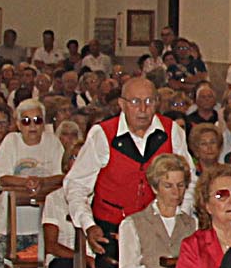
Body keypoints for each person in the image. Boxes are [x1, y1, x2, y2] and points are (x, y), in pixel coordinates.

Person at [63, 76, 190, 240]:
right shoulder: (102, 134)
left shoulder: (172, 131)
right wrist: (88, 225)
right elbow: (76, 185)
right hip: (110, 230)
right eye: (135, 102)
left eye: (149, 101)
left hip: (160, 230)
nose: (143, 109)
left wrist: (180, 218)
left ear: (157, 103)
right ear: (122, 104)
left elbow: (189, 181)